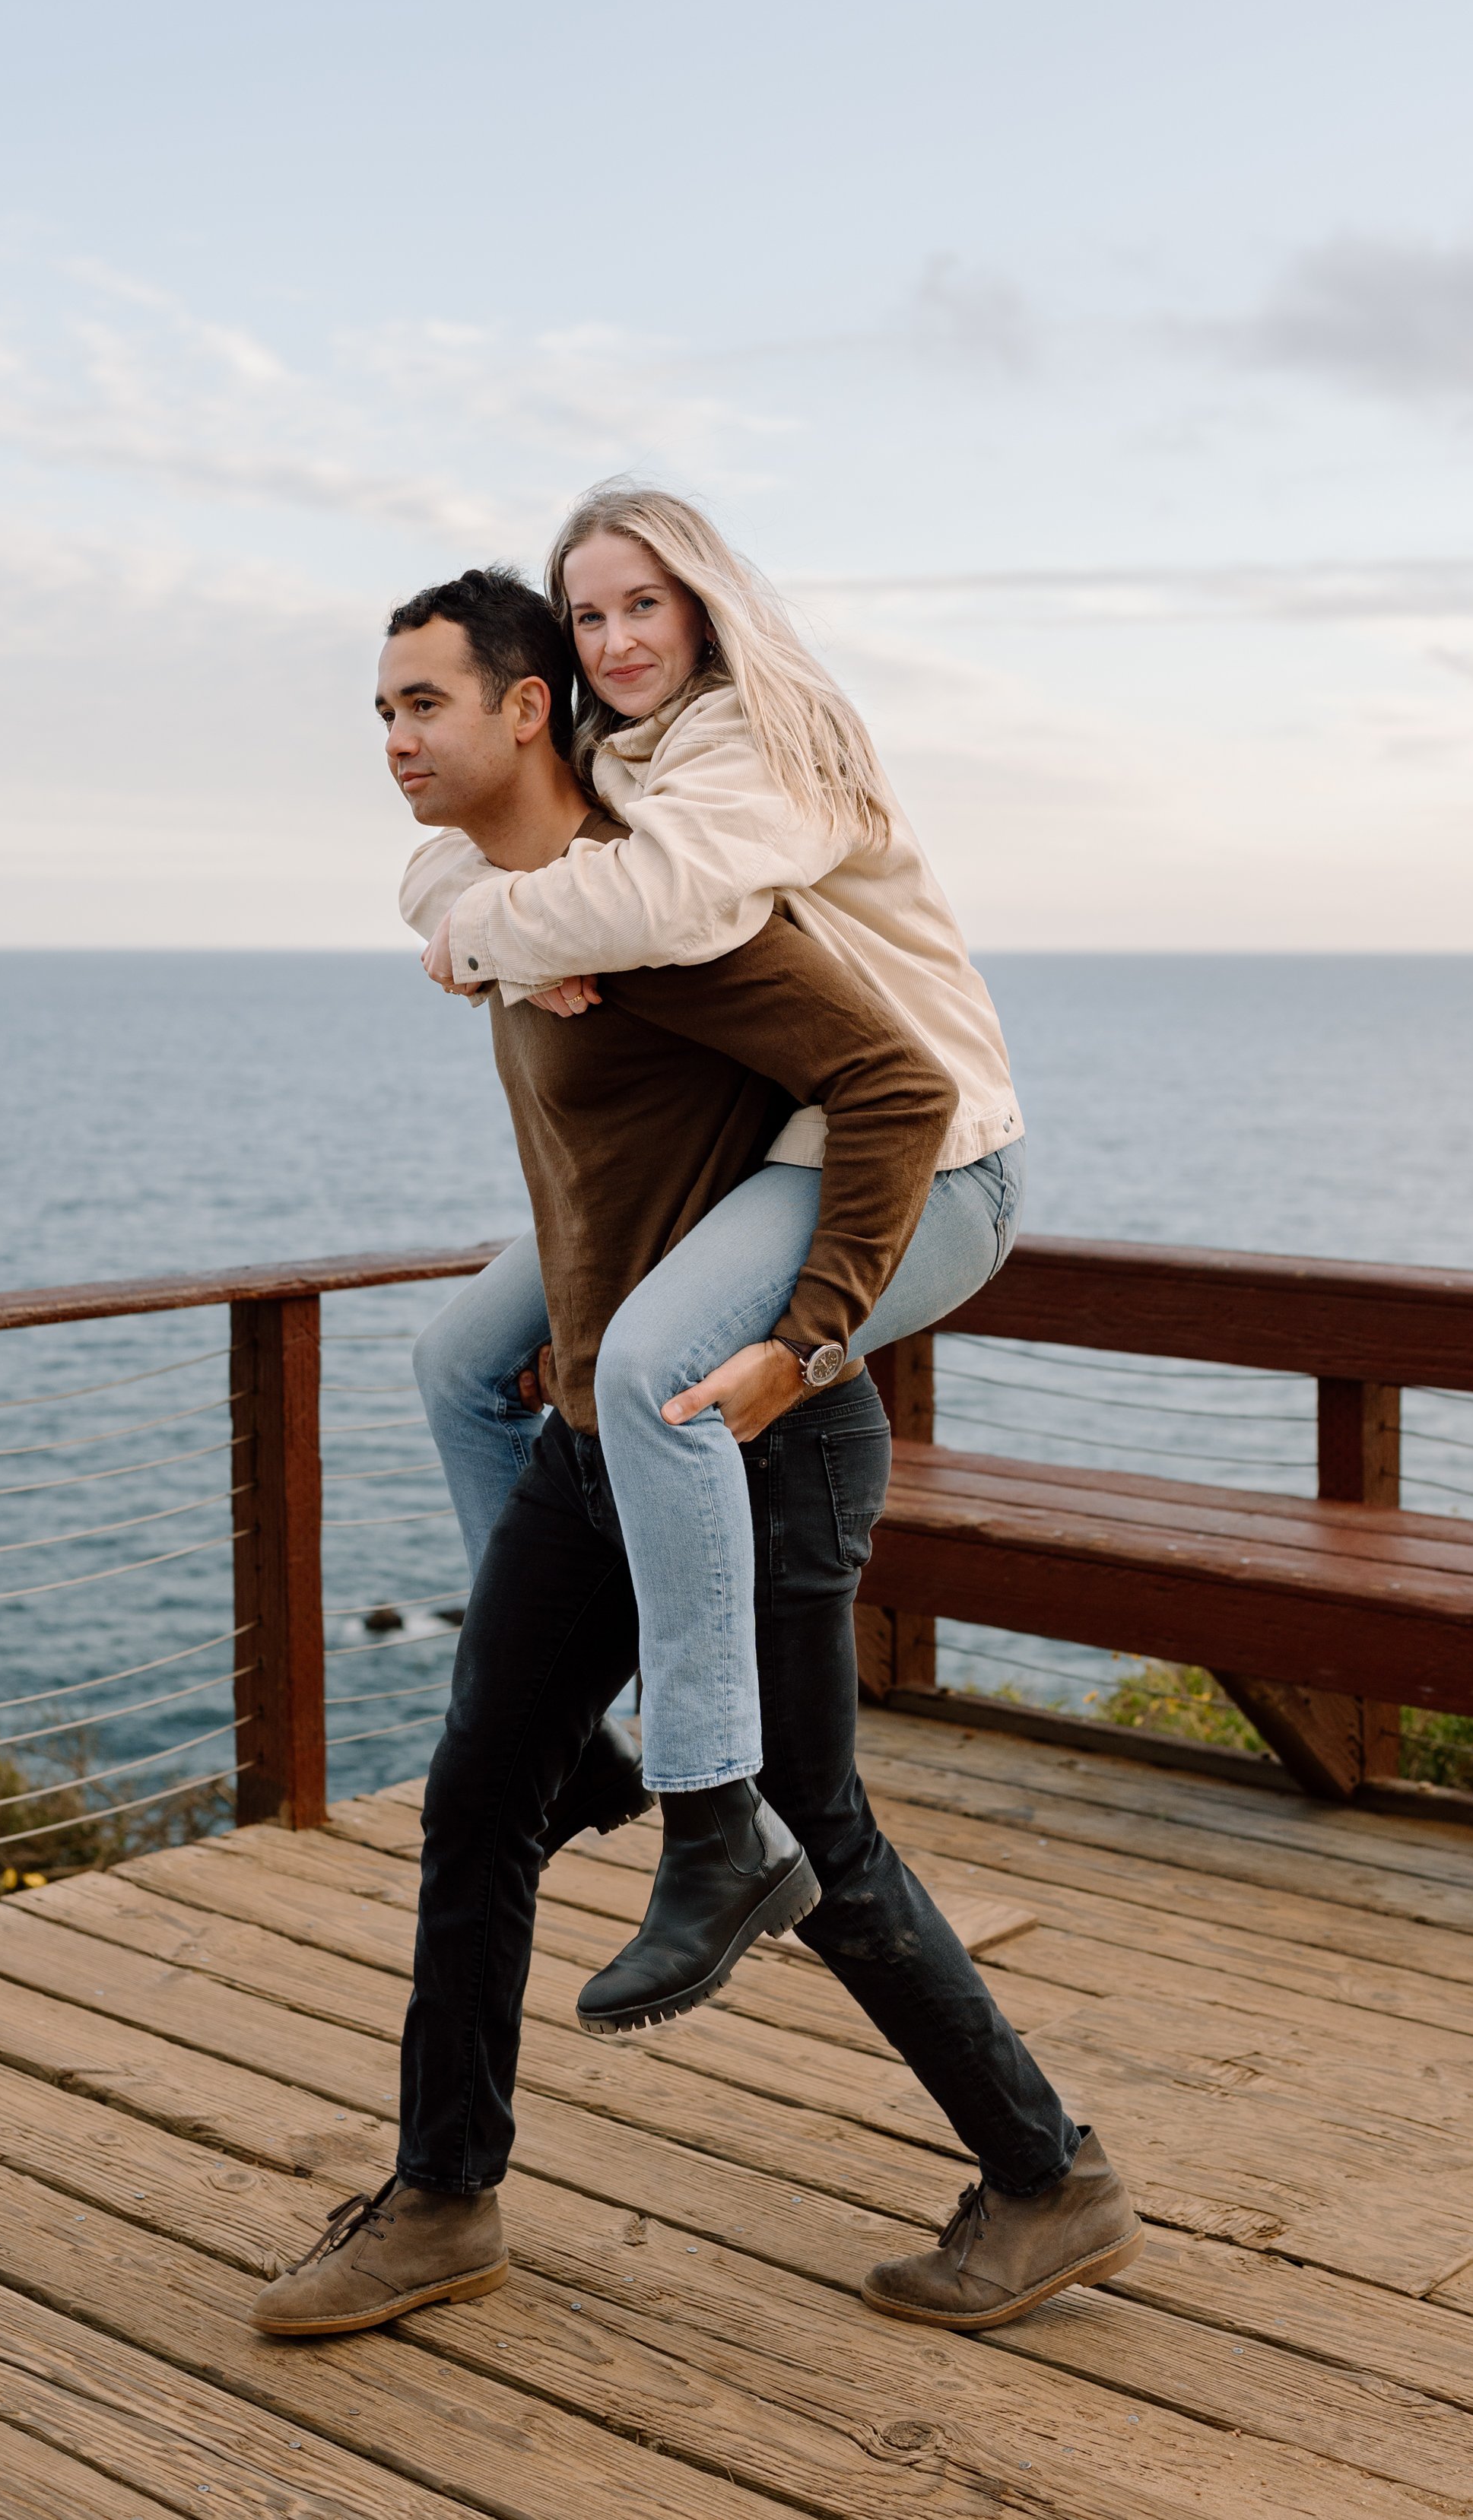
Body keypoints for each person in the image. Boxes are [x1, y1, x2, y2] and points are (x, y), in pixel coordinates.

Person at [249, 568, 1139, 2341]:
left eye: (422, 705)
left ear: (523, 709)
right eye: (378, 713)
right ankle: (441, 2200)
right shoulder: (523, 911)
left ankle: (1046, 2177)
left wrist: (798, 1338)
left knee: (817, 1833)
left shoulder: (674, 918)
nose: (393, 742)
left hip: (747, 1440)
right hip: (592, 1434)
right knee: (481, 1797)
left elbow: (893, 1094)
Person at [402, 487, 1026, 2017]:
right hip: (779, 1160)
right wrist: (501, 918)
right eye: (588, 611)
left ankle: (708, 1823)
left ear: (703, 607)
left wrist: (509, 930)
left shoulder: (764, 744)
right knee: (459, 1359)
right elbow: (446, 864)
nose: (615, 638)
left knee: (653, 1376)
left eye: (643, 605)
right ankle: (565, 1733)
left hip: (929, 1161)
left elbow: (668, 897)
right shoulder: (623, 758)